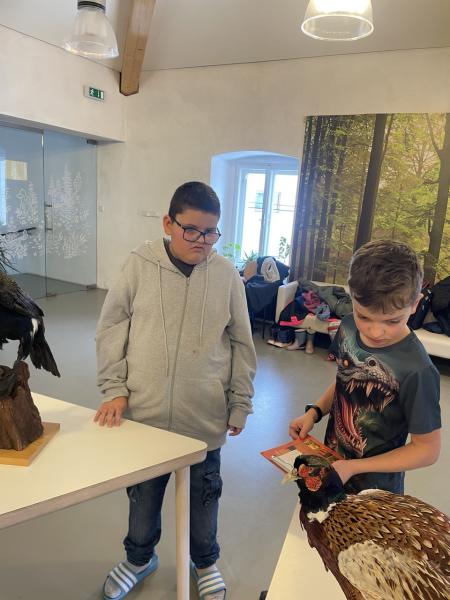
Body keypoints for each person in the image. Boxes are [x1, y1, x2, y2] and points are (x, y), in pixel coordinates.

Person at [94, 181, 257, 600]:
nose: (202, 241)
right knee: (143, 498)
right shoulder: (139, 265)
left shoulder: (226, 276)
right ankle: (138, 558)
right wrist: (115, 388)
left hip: (203, 419)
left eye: (211, 232)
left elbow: (242, 343)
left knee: (204, 500)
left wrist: (240, 402)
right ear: (169, 223)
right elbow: (112, 326)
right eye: (192, 230)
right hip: (145, 416)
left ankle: (205, 563)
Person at [289, 239, 441, 494]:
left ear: (415, 303)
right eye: (364, 316)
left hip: (374, 493)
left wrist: (354, 467)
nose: (375, 331)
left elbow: (427, 449)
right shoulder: (348, 326)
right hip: (330, 469)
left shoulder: (418, 370)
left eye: (392, 321)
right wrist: (314, 412)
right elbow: (345, 380)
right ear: (351, 296)